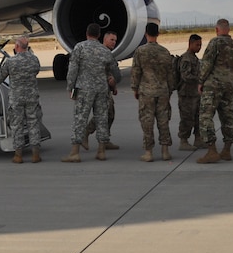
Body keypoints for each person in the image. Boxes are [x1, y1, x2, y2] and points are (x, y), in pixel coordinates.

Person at [61, 23, 118, 163]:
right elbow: (113, 71)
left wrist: (70, 87)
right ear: (99, 35)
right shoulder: (105, 51)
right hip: (101, 89)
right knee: (102, 118)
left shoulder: (80, 47)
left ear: (87, 33)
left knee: (80, 118)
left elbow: (72, 69)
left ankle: (75, 153)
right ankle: (101, 151)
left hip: (84, 89)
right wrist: (112, 85)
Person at [196, 18, 233, 164]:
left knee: (205, 117)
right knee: (228, 117)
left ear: (217, 30)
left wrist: (201, 81)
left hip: (213, 86)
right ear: (228, 29)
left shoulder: (214, 43)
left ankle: (211, 150)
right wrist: (230, 80)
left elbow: (206, 64)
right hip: (228, 86)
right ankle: (227, 150)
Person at [131, 23, 176, 162]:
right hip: (162, 91)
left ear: (146, 34)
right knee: (163, 121)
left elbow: (136, 72)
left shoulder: (140, 51)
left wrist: (135, 88)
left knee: (147, 121)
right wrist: (170, 89)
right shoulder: (165, 52)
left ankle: (149, 152)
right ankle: (165, 151)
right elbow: (171, 74)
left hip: (146, 91)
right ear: (158, 34)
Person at [0, 36, 43, 163]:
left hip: (16, 98)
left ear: (16, 47)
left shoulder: (11, 62)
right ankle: (35, 154)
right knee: (33, 123)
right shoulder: (34, 59)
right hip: (32, 96)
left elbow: (0, 77)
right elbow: (36, 71)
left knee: (17, 125)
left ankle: (18, 155)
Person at [81, 30, 120, 151]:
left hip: (106, 88)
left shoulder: (108, 53)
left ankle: (105, 140)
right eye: (111, 40)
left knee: (111, 114)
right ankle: (86, 132)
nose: (114, 42)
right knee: (103, 114)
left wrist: (113, 87)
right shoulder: (101, 52)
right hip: (99, 88)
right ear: (104, 39)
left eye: (115, 40)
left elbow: (111, 74)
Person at [178, 34, 203, 151]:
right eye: (197, 45)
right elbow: (185, 76)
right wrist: (199, 79)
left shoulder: (194, 58)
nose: (199, 47)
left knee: (198, 117)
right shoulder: (186, 59)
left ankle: (198, 139)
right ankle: (184, 140)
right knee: (187, 118)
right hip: (186, 95)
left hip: (195, 94)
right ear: (190, 44)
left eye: (200, 45)